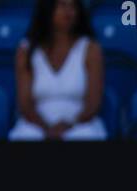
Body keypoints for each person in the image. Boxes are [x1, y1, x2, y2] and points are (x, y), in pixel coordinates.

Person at [9, 0, 107, 141]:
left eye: (72, 6)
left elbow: (93, 103)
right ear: (47, 9)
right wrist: (46, 128)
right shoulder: (26, 50)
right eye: (62, 5)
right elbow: (25, 104)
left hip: (80, 123)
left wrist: (68, 125)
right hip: (36, 123)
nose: (68, 11)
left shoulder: (91, 49)